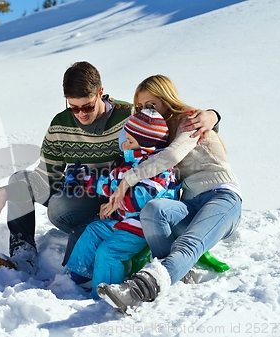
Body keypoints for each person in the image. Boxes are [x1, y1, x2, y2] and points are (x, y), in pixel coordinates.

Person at [0, 62, 219, 274]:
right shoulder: (61, 125)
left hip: (121, 198)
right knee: (19, 180)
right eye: (73, 107)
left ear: (101, 93)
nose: (80, 113)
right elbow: (46, 176)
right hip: (84, 189)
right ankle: (22, 257)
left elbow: (170, 127)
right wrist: (8, 191)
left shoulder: (130, 116)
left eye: (87, 106)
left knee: (60, 207)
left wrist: (212, 116)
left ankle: (104, 236)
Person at [96, 75, 242, 315]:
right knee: (154, 209)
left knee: (188, 243)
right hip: (190, 202)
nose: (146, 111)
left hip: (222, 197)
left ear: (167, 99)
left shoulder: (189, 120)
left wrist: (127, 181)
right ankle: (178, 273)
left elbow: (171, 157)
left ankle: (137, 291)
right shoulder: (158, 132)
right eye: (141, 107)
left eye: (152, 104)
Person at [64, 106, 179, 299]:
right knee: (92, 230)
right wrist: (84, 180)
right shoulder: (126, 165)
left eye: (130, 141)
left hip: (141, 227)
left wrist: (115, 204)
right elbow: (109, 185)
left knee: (108, 252)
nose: (124, 145)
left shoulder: (159, 169)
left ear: (146, 145)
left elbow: (142, 198)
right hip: (123, 223)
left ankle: (105, 294)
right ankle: (78, 275)